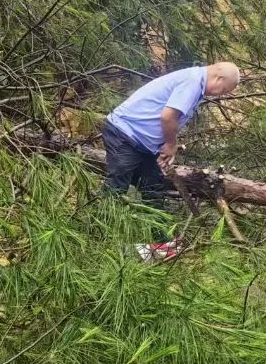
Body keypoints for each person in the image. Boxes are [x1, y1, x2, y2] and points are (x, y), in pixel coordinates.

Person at [101, 62, 241, 260]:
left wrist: (162, 147)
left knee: (153, 189)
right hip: (125, 134)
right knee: (116, 187)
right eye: (224, 90)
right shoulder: (192, 82)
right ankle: (97, 240)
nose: (221, 95)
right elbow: (168, 117)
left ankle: (162, 247)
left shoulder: (195, 81)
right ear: (218, 79)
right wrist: (170, 144)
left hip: (143, 144)